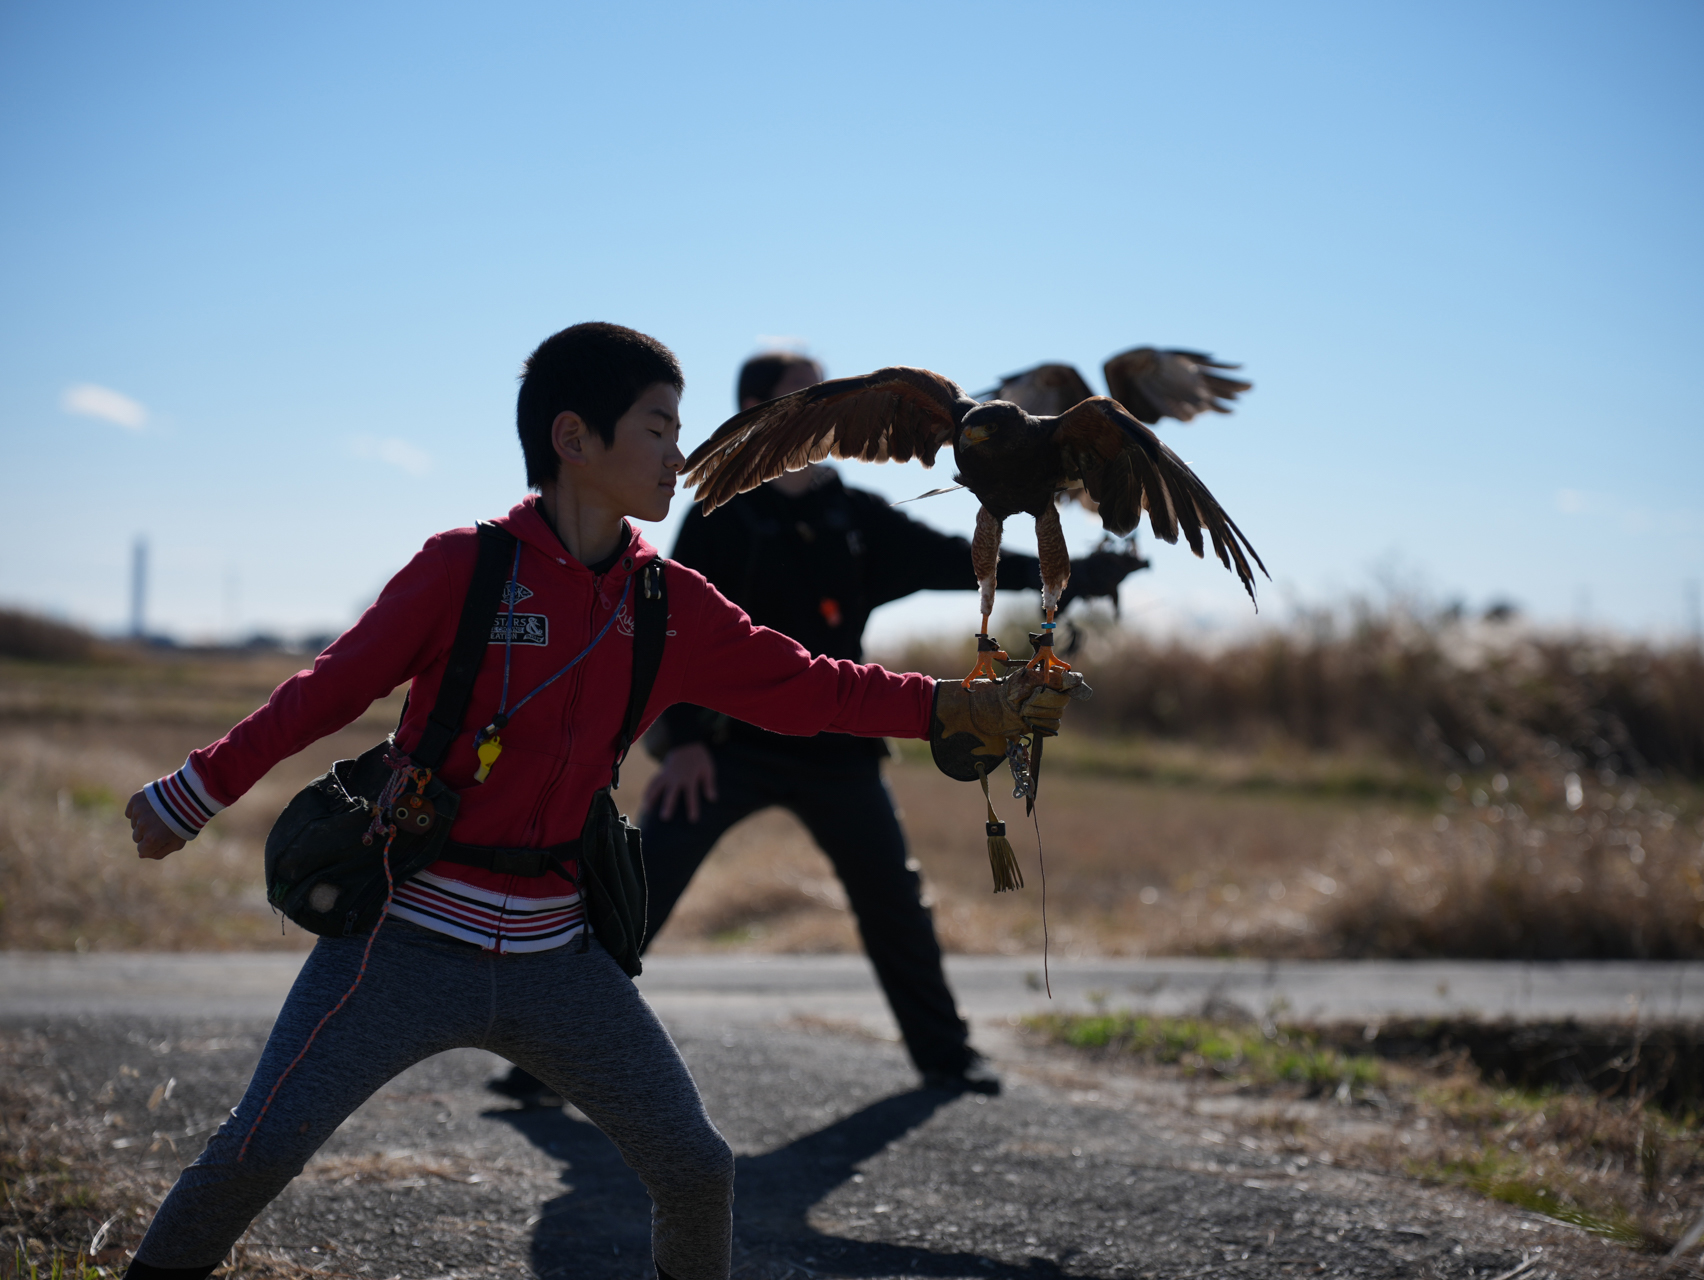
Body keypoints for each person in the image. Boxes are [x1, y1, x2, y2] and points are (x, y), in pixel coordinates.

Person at [117, 324, 1080, 1280]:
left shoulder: (671, 602)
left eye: (680, 428)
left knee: (698, 1170)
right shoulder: (464, 568)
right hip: (398, 938)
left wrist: (960, 707)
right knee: (253, 1155)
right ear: (574, 439)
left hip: (559, 960)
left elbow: (816, 685)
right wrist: (192, 792)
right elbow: (326, 692)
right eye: (658, 429)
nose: (680, 453)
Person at [493, 351, 1121, 1104]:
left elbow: (960, 558)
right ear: (766, 411)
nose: (831, 407)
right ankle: (542, 1063)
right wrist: (683, 744)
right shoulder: (724, 516)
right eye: (806, 397)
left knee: (895, 904)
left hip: (839, 749)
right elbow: (665, 635)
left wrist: (1073, 577)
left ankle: (946, 1059)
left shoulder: (851, 515)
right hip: (728, 752)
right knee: (635, 897)